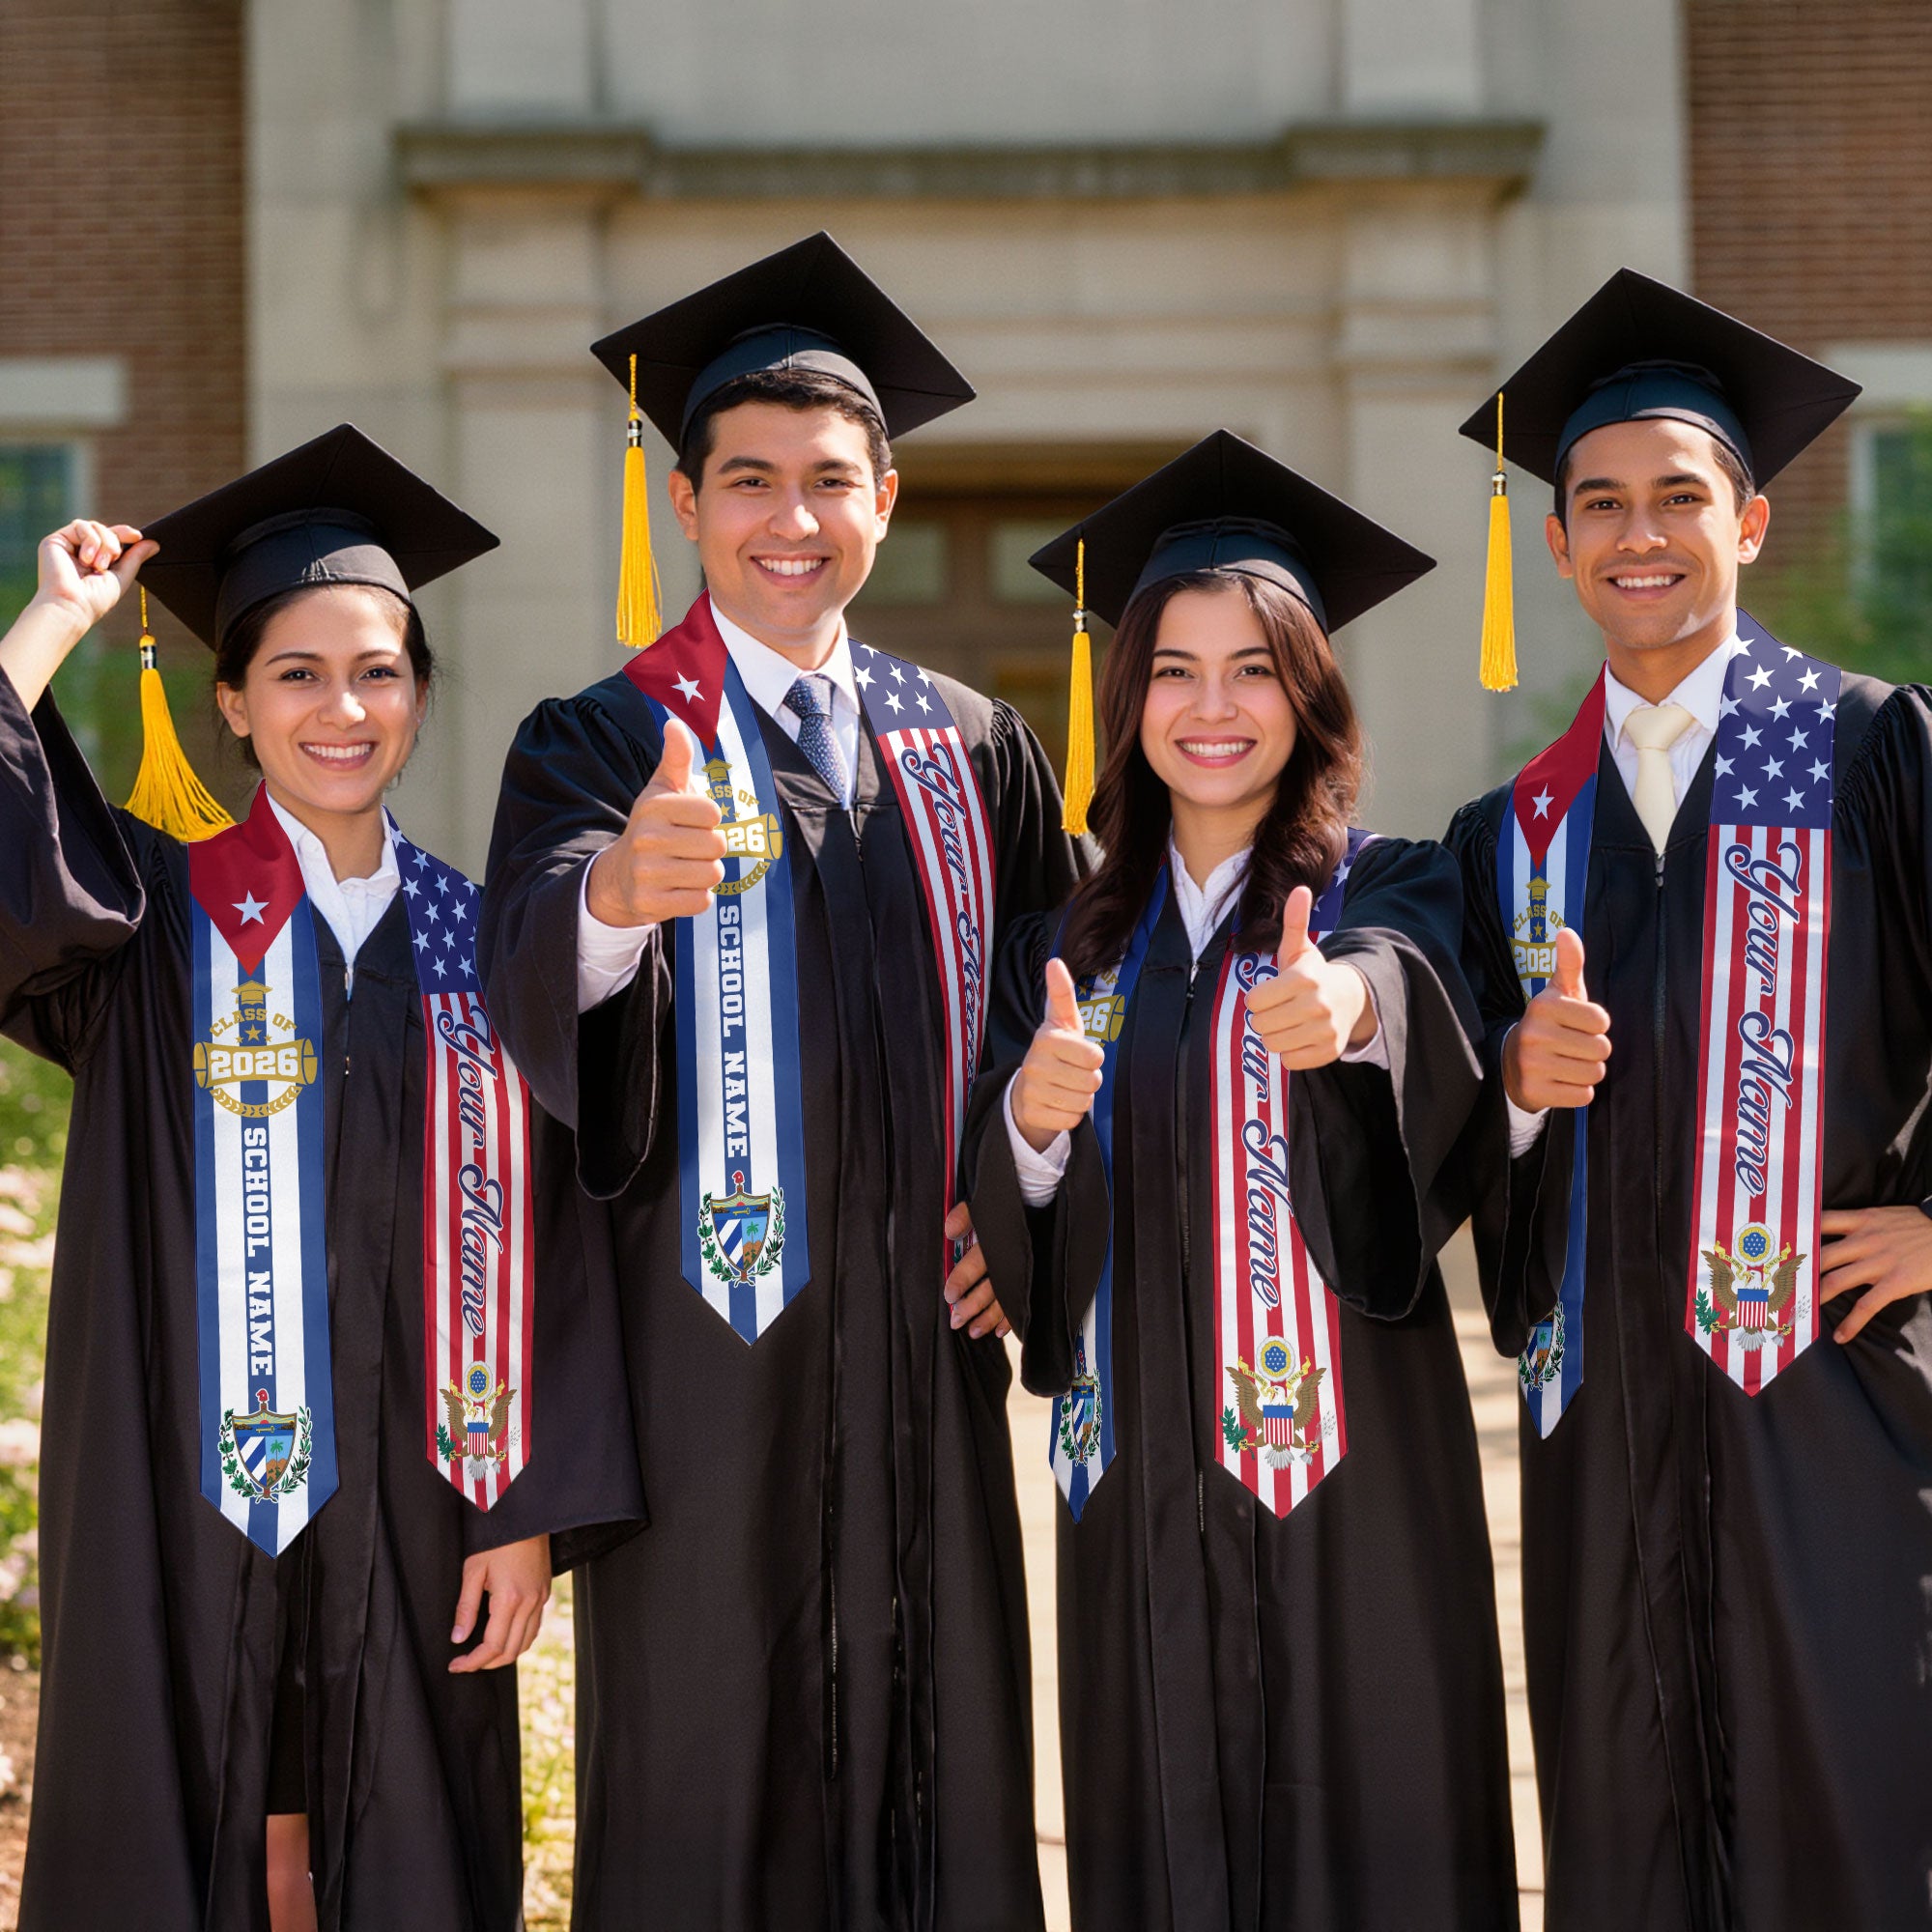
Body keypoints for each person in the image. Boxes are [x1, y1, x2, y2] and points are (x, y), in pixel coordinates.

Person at [479, 233, 1083, 1930]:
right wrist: (611, 899)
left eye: (831, 481)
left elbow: (1072, 998)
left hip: (924, 1361)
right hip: (704, 1375)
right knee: (708, 1781)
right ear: (687, 504)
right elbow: (526, 968)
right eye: (749, 481)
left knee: (943, 1766)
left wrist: (1026, 1202)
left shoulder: (971, 742)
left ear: (886, 497)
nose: (791, 519)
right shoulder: (597, 739)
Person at [0, 425, 640, 1932]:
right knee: (195, 1810)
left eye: (378, 671)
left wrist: (524, 1507)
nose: (340, 708)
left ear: (419, 694)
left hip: (427, 1501)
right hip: (181, 1488)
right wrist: (51, 625)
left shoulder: (488, 943)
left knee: (405, 1835)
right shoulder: (150, 922)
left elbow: (559, 1241)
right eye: (295, 673)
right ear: (230, 702)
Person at [964, 432, 1518, 1931]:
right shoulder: (1064, 946)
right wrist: (1025, 1116)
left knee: (1377, 1835)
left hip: (1354, 1482)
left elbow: (1413, 994)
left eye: (1256, 668)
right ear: (1127, 696)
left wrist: (1348, 1014)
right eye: (1175, 671)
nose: (1214, 709)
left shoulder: (1392, 885)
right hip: (1134, 1479)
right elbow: (1013, 1217)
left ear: (1311, 693)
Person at [1445, 270, 1932, 1931]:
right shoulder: (1511, 830)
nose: (1637, 534)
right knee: (1625, 1825)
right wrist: (1511, 1088)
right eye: (1599, 504)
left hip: (1834, 1404)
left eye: (1678, 497)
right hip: (1604, 1431)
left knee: (1852, 1811)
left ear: (1752, 520)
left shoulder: (1869, 751)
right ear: (1561, 543)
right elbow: (1448, 1133)